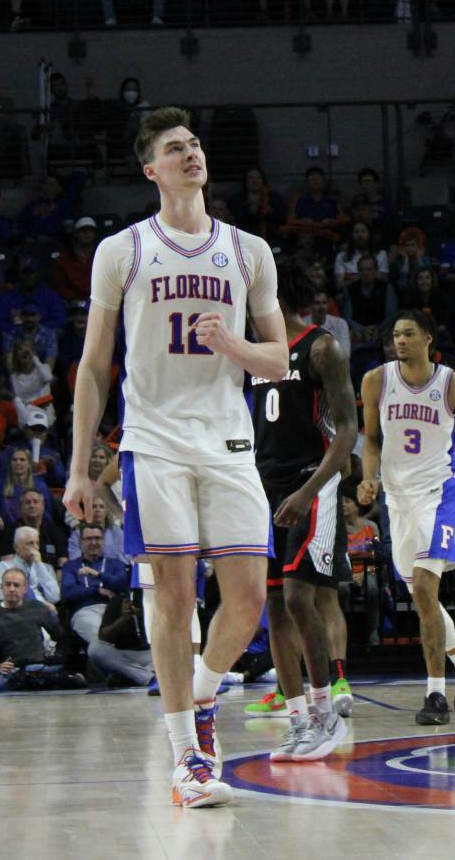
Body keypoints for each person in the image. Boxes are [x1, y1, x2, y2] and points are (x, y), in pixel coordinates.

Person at [64, 104, 288, 809]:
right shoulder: (123, 249)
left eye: (194, 143)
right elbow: (95, 365)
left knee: (248, 596)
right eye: (174, 147)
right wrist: (77, 466)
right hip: (154, 440)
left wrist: (235, 347)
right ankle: (186, 752)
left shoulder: (248, 248)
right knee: (173, 594)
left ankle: (202, 693)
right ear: (150, 168)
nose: (190, 153)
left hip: (227, 438)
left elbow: (280, 358)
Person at [245, 263, 360, 758]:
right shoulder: (254, 357)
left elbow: (348, 431)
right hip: (263, 486)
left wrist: (310, 490)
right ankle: (297, 722)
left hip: (312, 482)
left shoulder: (320, 348)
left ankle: (324, 713)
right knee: (272, 605)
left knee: (298, 598)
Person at [359, 311, 455, 728]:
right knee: (422, 599)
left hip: (439, 495)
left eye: (408, 333)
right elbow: (372, 441)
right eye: (395, 334)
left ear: (428, 339)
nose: (400, 340)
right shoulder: (376, 381)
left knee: (427, 589)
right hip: (397, 500)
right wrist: (368, 478)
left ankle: (435, 693)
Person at [0, 566, 74, 689]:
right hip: (12, 669)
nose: (11, 589)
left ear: (25, 589)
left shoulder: (37, 608)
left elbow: (61, 636)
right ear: (1, 587)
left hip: (39, 665)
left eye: (16, 585)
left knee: (54, 674)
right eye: (8, 585)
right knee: (2, 683)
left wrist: (58, 656)